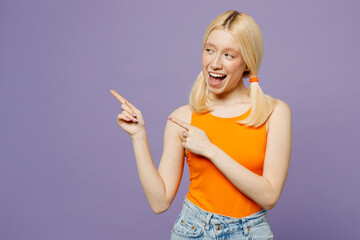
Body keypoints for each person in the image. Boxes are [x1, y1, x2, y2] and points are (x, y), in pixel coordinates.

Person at [110, 10, 292, 240]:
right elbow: (159, 202)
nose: (215, 63)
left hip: (250, 233)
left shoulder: (274, 113)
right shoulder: (183, 118)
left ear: (247, 62)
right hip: (193, 231)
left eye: (229, 55)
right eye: (209, 50)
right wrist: (138, 136)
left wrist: (210, 150)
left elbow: (269, 196)